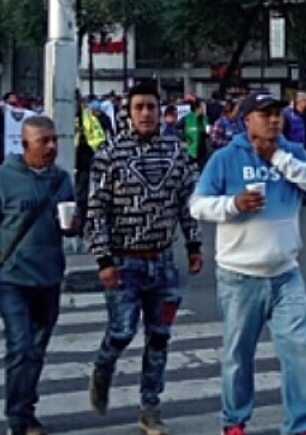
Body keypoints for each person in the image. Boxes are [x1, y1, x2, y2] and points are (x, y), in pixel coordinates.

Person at [190, 92, 306, 435]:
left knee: (300, 353)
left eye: (277, 114)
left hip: (286, 273)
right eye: (265, 114)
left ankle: (301, 425)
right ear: (247, 119)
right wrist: (233, 205)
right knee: (238, 356)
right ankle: (234, 420)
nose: (273, 120)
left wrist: (280, 159)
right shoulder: (225, 158)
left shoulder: (292, 153)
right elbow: (197, 205)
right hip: (240, 276)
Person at [85, 82, 204, 435]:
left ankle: (150, 407)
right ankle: (103, 367)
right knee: (121, 332)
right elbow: (96, 210)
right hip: (124, 261)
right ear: (127, 112)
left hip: (163, 261)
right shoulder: (110, 152)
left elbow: (188, 201)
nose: (146, 114)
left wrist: (194, 246)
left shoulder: (176, 150)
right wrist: (103, 259)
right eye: (139, 107)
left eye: (151, 107)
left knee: (160, 336)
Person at [0, 116, 78, 435]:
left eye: (55, 139)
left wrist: (75, 225)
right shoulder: (0, 179)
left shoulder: (63, 180)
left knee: (36, 351)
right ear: (25, 145)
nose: (52, 146)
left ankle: (26, 410)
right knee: (20, 347)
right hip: (11, 278)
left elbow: (71, 226)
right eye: (44, 141)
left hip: (49, 278)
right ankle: (17, 419)